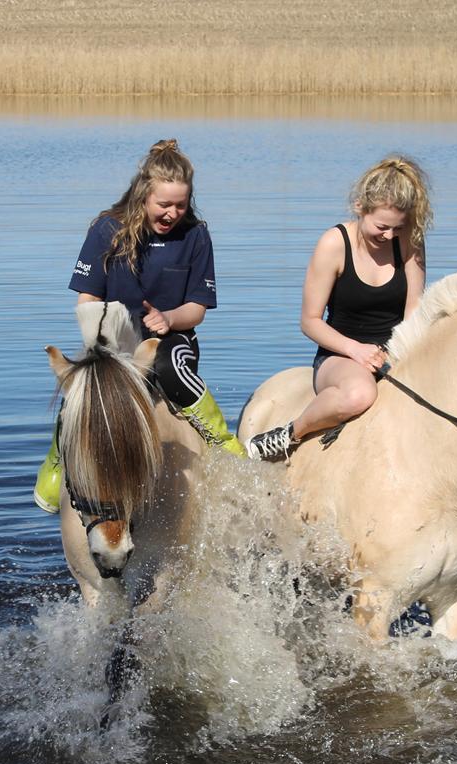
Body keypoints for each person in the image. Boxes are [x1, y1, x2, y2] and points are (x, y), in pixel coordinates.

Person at [34, 138, 246, 513]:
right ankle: (56, 460)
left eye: (180, 205)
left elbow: (197, 309)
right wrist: (103, 339)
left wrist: (169, 319)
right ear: (143, 195)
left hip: (171, 339)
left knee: (168, 367)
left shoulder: (196, 236)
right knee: (81, 388)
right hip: (112, 342)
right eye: (164, 204)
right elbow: (86, 299)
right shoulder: (106, 230)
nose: (172, 213)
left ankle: (220, 438)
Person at [247, 155, 432, 462]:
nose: (389, 236)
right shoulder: (333, 244)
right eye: (382, 226)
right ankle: (288, 435)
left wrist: (397, 352)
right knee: (359, 395)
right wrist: (357, 350)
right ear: (360, 207)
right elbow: (310, 321)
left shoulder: (410, 242)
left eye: (398, 229)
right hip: (340, 355)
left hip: (397, 352)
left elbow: (415, 310)